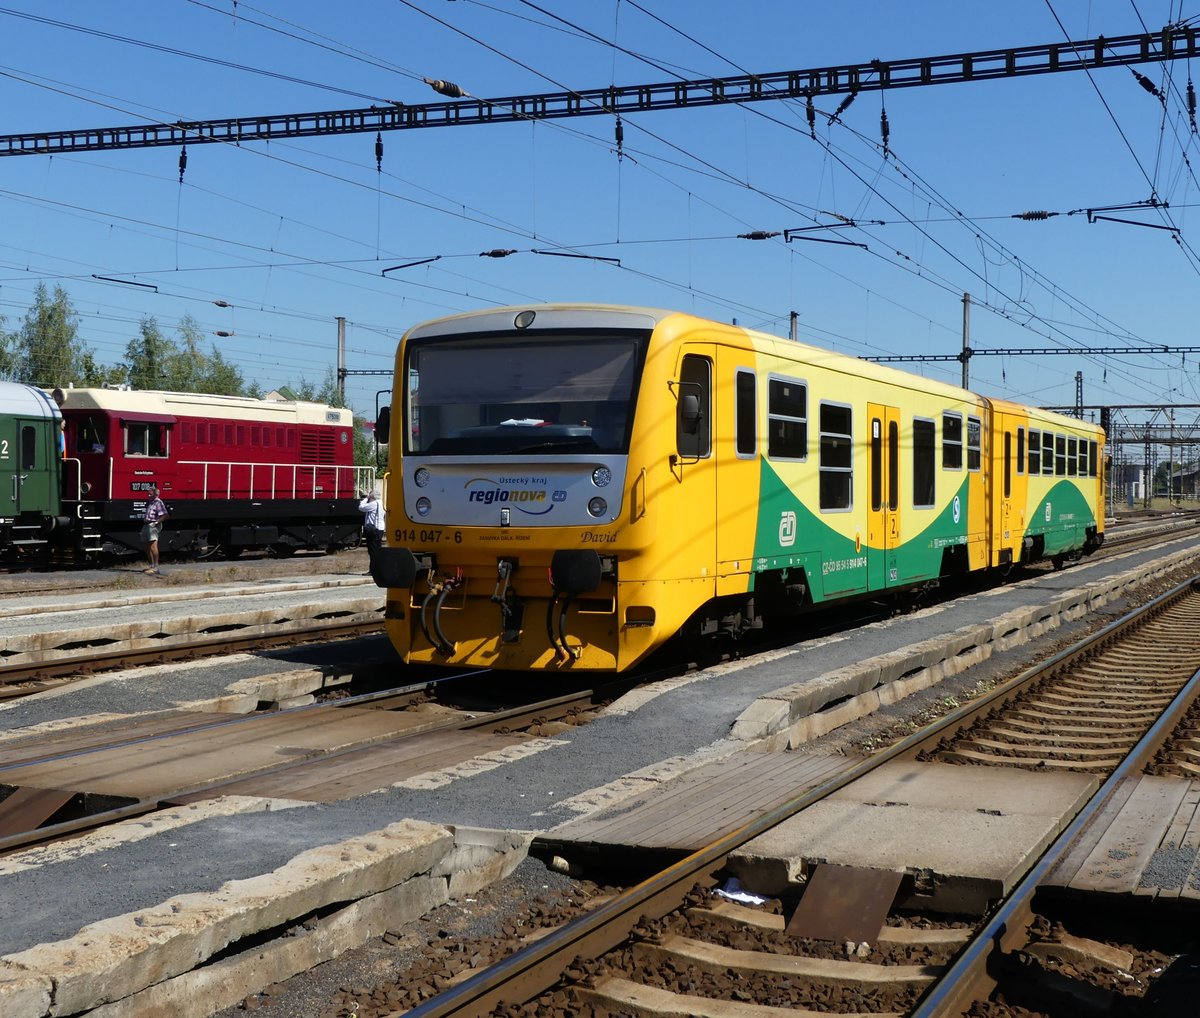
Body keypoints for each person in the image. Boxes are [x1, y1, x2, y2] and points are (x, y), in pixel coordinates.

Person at [141, 483, 169, 575]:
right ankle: (151, 565)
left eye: (150, 493)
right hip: (146, 525)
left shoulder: (158, 502)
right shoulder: (150, 502)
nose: (148, 494)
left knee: (153, 546)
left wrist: (156, 522)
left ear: (156, 494)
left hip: (153, 525)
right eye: (148, 493)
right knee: (146, 546)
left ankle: (156, 567)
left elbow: (165, 515)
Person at [358, 488, 384, 571]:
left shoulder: (374, 504)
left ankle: (373, 570)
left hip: (374, 529)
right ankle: (377, 568)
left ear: (372, 496)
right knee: (377, 550)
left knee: (373, 550)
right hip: (379, 529)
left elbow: (361, 507)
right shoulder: (381, 503)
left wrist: (365, 499)